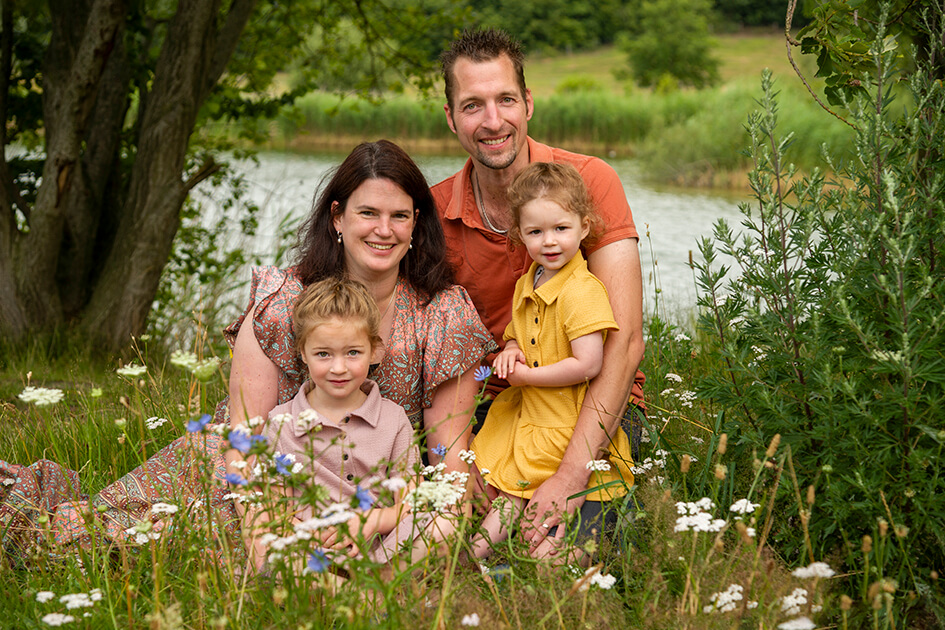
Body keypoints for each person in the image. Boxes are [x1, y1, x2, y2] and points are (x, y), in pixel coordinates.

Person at [0, 140, 496, 566]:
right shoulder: (283, 301)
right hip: (258, 474)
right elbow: (245, 438)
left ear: (416, 226)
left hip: (371, 482)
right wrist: (271, 516)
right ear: (337, 217)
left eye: (399, 216)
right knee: (95, 539)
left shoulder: (442, 313)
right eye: (367, 212)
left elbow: (446, 455)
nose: (383, 230)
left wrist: (401, 512)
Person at [431, 28, 646, 557]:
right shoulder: (431, 213)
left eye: (505, 99)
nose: (493, 121)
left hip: (588, 410)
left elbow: (626, 339)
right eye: (472, 105)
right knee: (451, 547)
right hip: (494, 414)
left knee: (558, 558)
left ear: (528, 102)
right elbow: (435, 352)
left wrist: (572, 474)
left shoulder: (590, 182)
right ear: (451, 118)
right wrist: (456, 462)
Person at [469, 163, 634, 561]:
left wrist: (528, 376)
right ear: (519, 235)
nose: (549, 241)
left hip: (563, 426)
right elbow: (517, 333)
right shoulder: (531, 280)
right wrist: (511, 353)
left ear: (584, 227)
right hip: (528, 422)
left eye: (561, 229)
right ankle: (471, 566)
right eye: (535, 232)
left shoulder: (580, 291)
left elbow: (589, 364)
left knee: (543, 542)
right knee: (506, 502)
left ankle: (531, 570)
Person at [241, 277, 425, 571]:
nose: (338, 368)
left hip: (380, 549)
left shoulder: (393, 420)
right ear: (303, 353)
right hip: (312, 550)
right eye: (323, 354)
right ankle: (356, 597)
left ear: (374, 350)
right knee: (261, 531)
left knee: (441, 525)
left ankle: (372, 587)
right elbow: (276, 507)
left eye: (353, 352)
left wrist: (372, 521)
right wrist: (305, 533)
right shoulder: (282, 423)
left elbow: (413, 504)